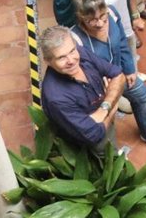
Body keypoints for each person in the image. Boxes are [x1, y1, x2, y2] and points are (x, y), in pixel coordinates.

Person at [69, 0, 146, 143]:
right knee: (107, 122)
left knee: (140, 93)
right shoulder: (75, 40)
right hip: (99, 88)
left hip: (119, 74)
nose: (100, 23)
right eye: (92, 20)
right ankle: (111, 153)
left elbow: (122, 42)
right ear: (80, 17)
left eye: (102, 16)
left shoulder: (113, 14)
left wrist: (129, 69)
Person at [39, 25, 125, 153]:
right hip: (90, 145)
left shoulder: (79, 52)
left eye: (72, 51)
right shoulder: (56, 97)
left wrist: (105, 107)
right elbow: (94, 135)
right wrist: (112, 108)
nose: (71, 60)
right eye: (61, 57)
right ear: (48, 61)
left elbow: (118, 75)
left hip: (103, 113)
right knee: (108, 154)